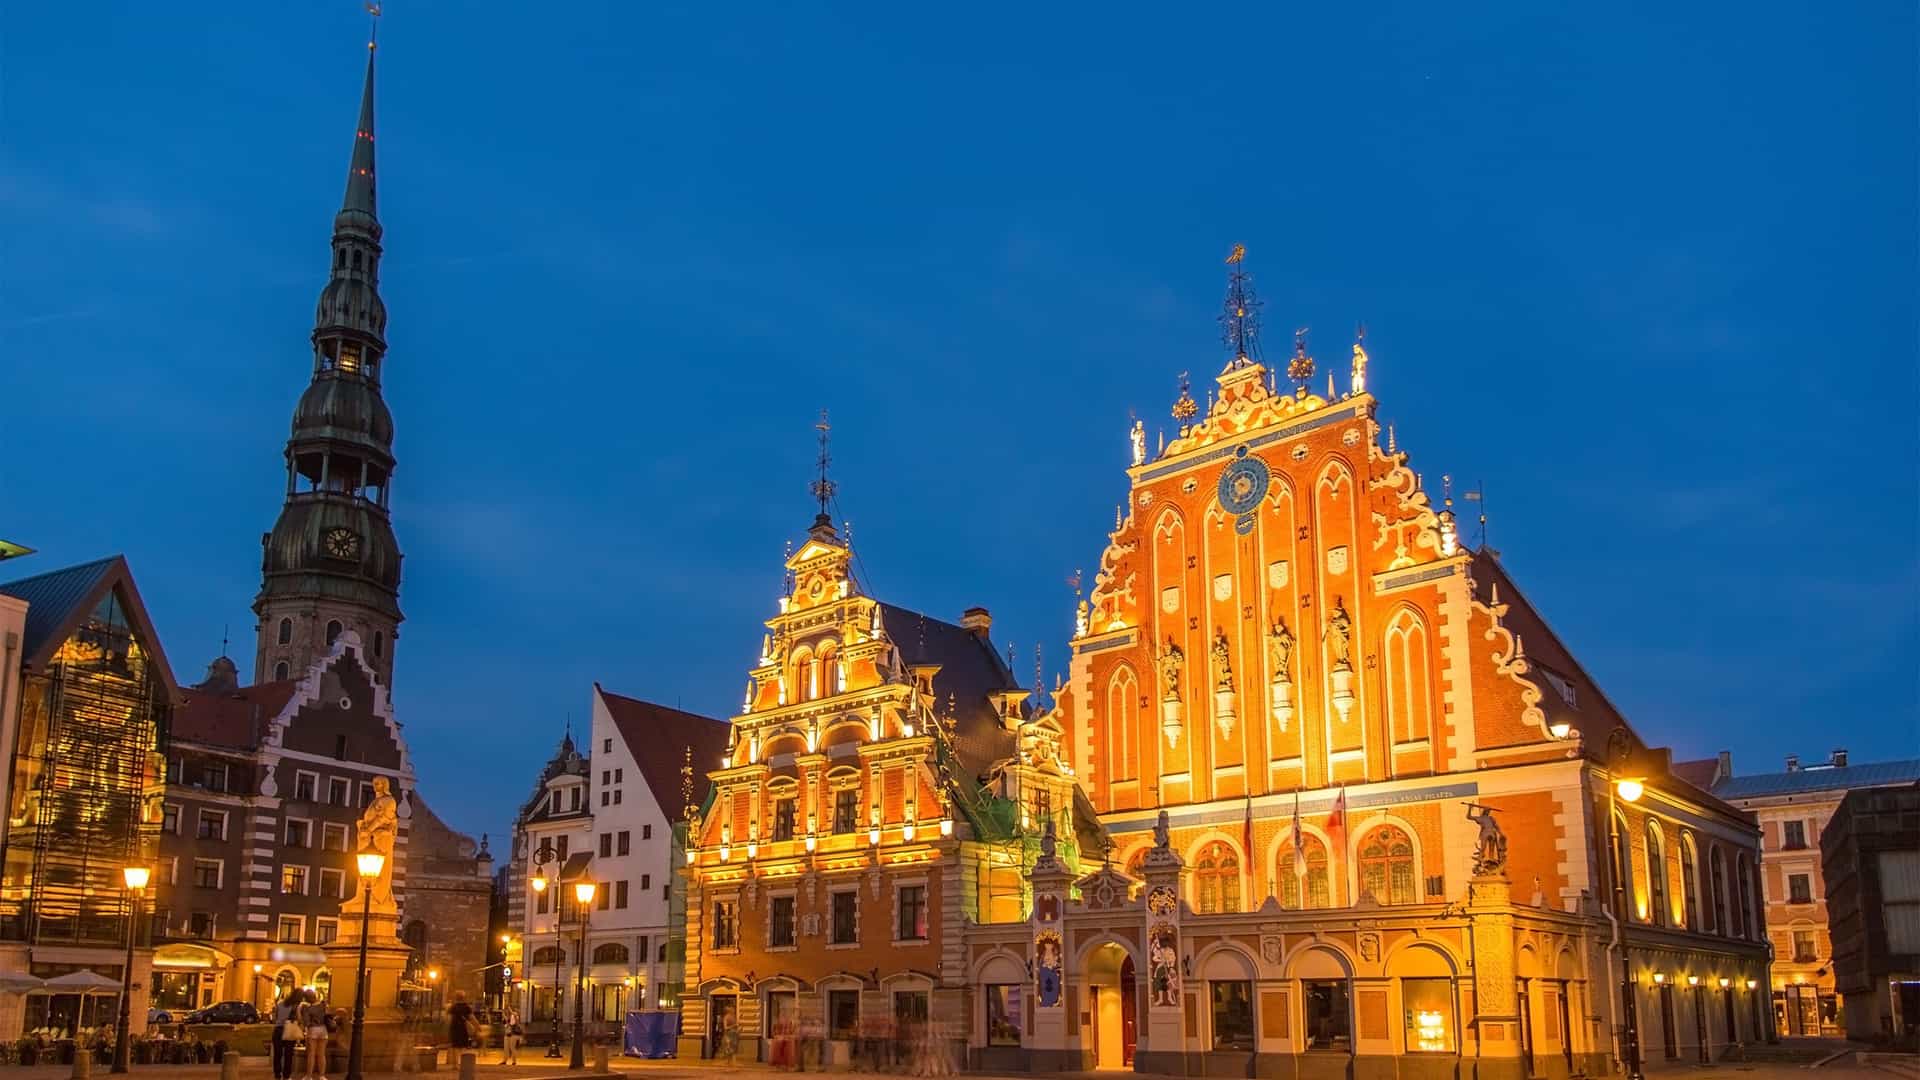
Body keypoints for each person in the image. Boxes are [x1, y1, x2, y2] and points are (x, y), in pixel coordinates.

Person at [299, 990, 328, 1080]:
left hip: (313, 1031)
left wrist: (300, 1010)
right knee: (322, 1054)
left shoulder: (307, 1008)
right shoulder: (323, 1005)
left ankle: (309, 1076)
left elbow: (306, 1022)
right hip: (323, 1030)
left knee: (311, 1054)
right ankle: (322, 1075)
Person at [270, 992, 300, 1080]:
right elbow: (298, 1018)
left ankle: (277, 1075)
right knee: (288, 1055)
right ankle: (286, 1076)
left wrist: (280, 1020)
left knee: (277, 1054)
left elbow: (274, 1018)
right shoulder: (295, 1006)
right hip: (289, 1030)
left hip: (278, 1030)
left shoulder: (279, 1003)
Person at [447, 991, 474, 1066]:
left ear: (456, 998)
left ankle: (455, 1064)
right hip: (463, 1028)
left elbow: (449, 1019)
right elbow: (472, 1018)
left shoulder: (453, 1007)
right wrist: (477, 1027)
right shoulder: (466, 1007)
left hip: (454, 1028)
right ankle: (462, 1063)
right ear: (464, 998)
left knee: (455, 1046)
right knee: (463, 1046)